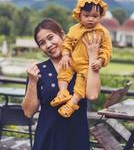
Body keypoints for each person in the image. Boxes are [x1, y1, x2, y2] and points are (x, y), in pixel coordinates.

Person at [22, 18, 101, 150]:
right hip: (47, 140)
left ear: (62, 35)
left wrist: (92, 57)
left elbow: (92, 95)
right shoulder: (38, 71)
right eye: (42, 43)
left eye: (51, 37)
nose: (48, 45)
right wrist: (32, 81)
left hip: (76, 139)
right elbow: (28, 112)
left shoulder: (82, 66)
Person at [50, 0, 112, 118]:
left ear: (101, 16)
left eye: (95, 16)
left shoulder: (103, 33)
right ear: (79, 15)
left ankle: (72, 103)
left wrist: (100, 61)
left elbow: (107, 50)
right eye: (86, 15)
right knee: (64, 69)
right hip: (72, 60)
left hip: (87, 65)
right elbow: (67, 42)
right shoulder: (74, 29)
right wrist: (66, 54)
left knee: (81, 83)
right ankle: (62, 92)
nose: (90, 19)